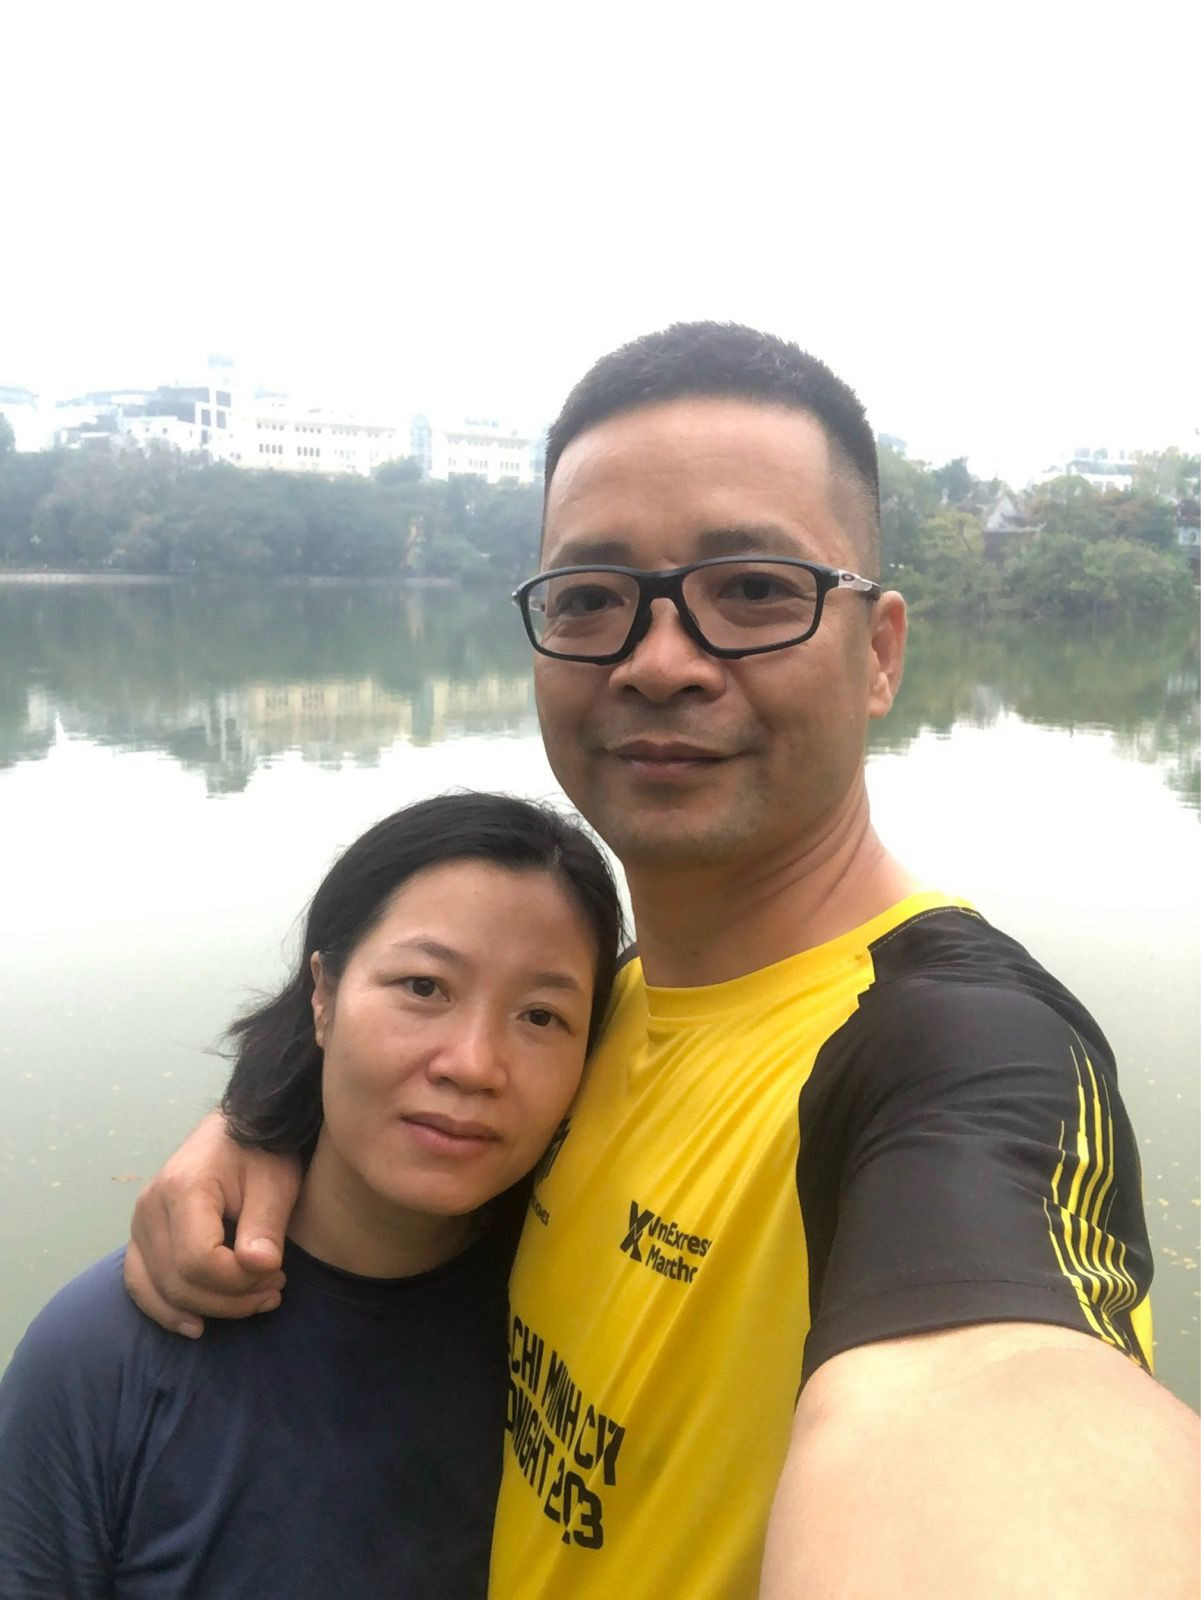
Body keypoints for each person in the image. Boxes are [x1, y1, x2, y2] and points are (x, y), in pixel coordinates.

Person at [124, 325, 1199, 1599]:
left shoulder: (952, 1052)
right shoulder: (593, 1010)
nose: (659, 660)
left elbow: (1001, 1406)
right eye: (591, 597)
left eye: (753, 590)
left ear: (878, 651)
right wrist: (265, 1115)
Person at [0, 793, 621, 1599]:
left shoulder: (584, 1332)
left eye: (540, 1016)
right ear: (322, 996)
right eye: (423, 986)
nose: (473, 1064)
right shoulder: (110, 1354)